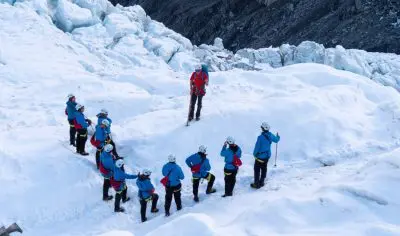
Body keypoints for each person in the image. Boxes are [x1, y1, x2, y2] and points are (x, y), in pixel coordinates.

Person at [251, 122, 280, 189]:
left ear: (263, 128)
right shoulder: (271, 135)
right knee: (264, 169)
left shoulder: (260, 137)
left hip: (259, 157)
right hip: (267, 156)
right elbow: (276, 140)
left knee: (257, 170)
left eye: (261, 127)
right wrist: (278, 136)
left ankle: (256, 184)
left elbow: (257, 147)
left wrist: (254, 154)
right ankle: (262, 182)